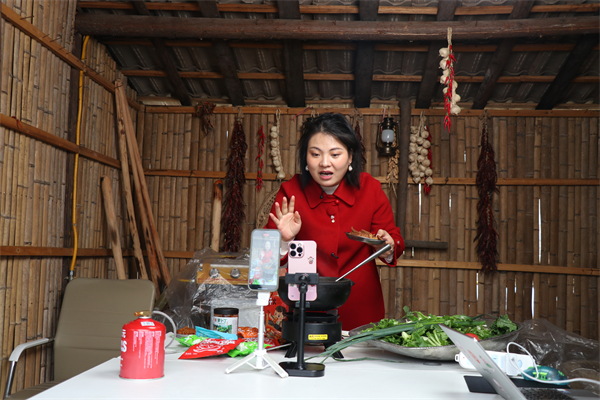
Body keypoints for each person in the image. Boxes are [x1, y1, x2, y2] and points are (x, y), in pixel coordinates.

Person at [266, 112, 405, 330]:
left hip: (362, 310)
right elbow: (267, 260)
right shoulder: (290, 192)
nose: (324, 163)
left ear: (350, 157)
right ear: (305, 158)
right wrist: (284, 241)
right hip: (305, 310)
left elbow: (394, 241)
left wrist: (387, 246)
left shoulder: (370, 189)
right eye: (315, 154)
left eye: (335, 154)